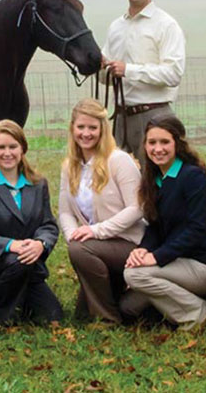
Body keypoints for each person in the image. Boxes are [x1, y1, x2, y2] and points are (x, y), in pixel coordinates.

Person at [121, 115, 206, 331]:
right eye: (152, 143)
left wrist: (156, 257)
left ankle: (197, 313)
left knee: (134, 274)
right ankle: (195, 303)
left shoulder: (193, 177)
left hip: (202, 264)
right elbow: (155, 227)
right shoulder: (154, 179)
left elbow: (197, 229)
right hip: (176, 263)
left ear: (178, 143)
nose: (158, 149)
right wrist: (142, 250)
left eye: (165, 142)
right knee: (128, 308)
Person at [0, 119, 63, 324]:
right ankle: (0, 314)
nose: (7, 153)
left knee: (52, 316)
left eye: (12, 146)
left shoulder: (38, 184)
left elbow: (48, 225)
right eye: (0, 147)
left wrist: (40, 243)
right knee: (18, 259)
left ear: (22, 148)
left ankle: (17, 302)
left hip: (29, 266)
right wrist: (11, 245)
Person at [58, 99, 145, 323]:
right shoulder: (70, 166)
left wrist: (96, 231)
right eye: (81, 127)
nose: (86, 133)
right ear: (72, 128)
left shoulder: (118, 160)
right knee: (81, 314)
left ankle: (107, 318)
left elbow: (137, 208)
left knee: (80, 251)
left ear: (102, 130)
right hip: (95, 245)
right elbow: (65, 211)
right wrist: (72, 236)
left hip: (129, 242)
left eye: (92, 128)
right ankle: (112, 298)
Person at [101, 0, 186, 161]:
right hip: (121, 118)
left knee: (159, 181)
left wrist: (128, 70)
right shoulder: (115, 27)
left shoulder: (166, 25)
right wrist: (102, 69)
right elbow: (105, 78)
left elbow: (173, 73)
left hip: (156, 114)